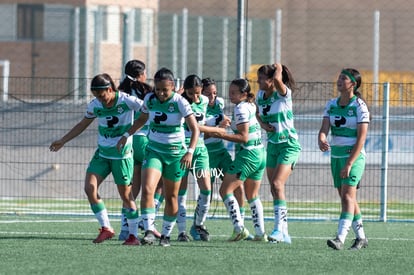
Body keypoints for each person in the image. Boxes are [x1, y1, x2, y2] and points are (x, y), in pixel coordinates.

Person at [49, 73, 143, 245]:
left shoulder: (126, 100)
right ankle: (106, 228)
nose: (100, 100)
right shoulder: (95, 105)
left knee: (126, 196)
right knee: (89, 187)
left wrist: (128, 133)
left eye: (102, 95)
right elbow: (82, 124)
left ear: (110, 89)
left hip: (122, 156)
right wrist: (63, 140)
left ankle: (133, 236)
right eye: (96, 96)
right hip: (102, 154)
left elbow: (147, 113)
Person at [118, 67, 199, 247]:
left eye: (165, 90)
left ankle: (166, 235)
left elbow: (195, 129)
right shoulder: (149, 99)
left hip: (176, 155)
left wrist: (190, 151)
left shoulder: (180, 102)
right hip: (154, 151)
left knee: (171, 196)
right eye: (158, 89)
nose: (161, 93)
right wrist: (126, 135)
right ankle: (148, 231)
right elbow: (141, 120)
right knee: (147, 189)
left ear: (172, 87)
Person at [206, 78, 267, 241]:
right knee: (253, 195)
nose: (230, 95)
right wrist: (230, 124)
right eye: (229, 92)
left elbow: (243, 137)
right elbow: (245, 128)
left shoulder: (240, 108)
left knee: (224, 190)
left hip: (248, 155)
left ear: (244, 94)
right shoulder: (250, 105)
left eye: (234, 93)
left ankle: (239, 228)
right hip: (260, 153)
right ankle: (261, 234)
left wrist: (220, 133)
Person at [318, 68, 370, 250]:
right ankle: (362, 238)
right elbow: (324, 129)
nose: (339, 80)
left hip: (353, 157)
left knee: (347, 196)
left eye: (343, 78)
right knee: (347, 197)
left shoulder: (360, 106)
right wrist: (322, 138)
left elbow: (362, 138)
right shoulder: (331, 104)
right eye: (339, 77)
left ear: (353, 84)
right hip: (336, 157)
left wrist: (349, 163)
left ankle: (340, 238)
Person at [255, 63, 301, 244]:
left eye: (260, 79)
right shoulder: (260, 96)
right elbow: (258, 114)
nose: (258, 82)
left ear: (270, 80)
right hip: (272, 146)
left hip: (288, 145)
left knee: (277, 183)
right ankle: (284, 231)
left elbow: (277, 79)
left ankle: (277, 229)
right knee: (274, 189)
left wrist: (279, 69)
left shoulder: (283, 95)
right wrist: (263, 125)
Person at [117, 59, 161, 240]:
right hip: (143, 140)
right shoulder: (148, 92)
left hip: (127, 141)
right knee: (159, 182)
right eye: (144, 73)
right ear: (140, 75)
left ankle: (125, 229)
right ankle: (147, 220)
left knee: (132, 189)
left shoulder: (120, 92)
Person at [201, 78, 249, 231]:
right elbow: (200, 135)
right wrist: (217, 128)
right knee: (206, 193)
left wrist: (226, 121)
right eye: (208, 94)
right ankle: (199, 225)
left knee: (238, 186)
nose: (212, 97)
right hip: (207, 156)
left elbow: (223, 120)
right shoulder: (199, 108)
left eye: (214, 93)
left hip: (221, 153)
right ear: (200, 94)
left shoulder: (220, 103)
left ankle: (240, 225)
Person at [177, 74, 212, 242]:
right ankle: (181, 231)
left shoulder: (204, 101)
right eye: (191, 94)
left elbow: (204, 121)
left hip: (199, 151)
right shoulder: (179, 102)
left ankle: (198, 225)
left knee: (206, 189)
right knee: (181, 192)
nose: (195, 97)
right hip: (182, 151)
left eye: (198, 93)